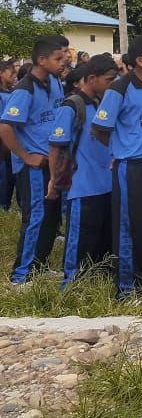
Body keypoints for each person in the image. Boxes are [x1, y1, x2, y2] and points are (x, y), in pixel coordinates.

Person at [92, 35, 142, 300]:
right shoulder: (120, 88)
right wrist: (118, 150)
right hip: (131, 167)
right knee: (130, 226)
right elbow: (100, 128)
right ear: (140, 60)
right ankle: (126, 287)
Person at [1, 36, 68, 285]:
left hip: (54, 161)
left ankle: (39, 266)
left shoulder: (54, 82)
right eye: (58, 58)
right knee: (36, 217)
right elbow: (6, 127)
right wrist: (26, 156)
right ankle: (20, 275)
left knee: (52, 218)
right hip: (35, 166)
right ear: (42, 59)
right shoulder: (24, 89)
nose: (64, 62)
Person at [48, 55, 118, 288]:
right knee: (80, 243)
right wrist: (54, 181)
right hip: (83, 187)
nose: (111, 85)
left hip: (107, 185)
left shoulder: (101, 105)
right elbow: (56, 145)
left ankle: (99, 284)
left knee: (103, 244)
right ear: (91, 78)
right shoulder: (73, 106)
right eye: (108, 80)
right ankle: (70, 287)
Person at [0, 57, 17, 211]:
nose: (14, 77)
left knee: (9, 177)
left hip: (10, 142)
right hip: (2, 143)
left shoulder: (12, 93)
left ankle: (6, 204)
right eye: (11, 74)